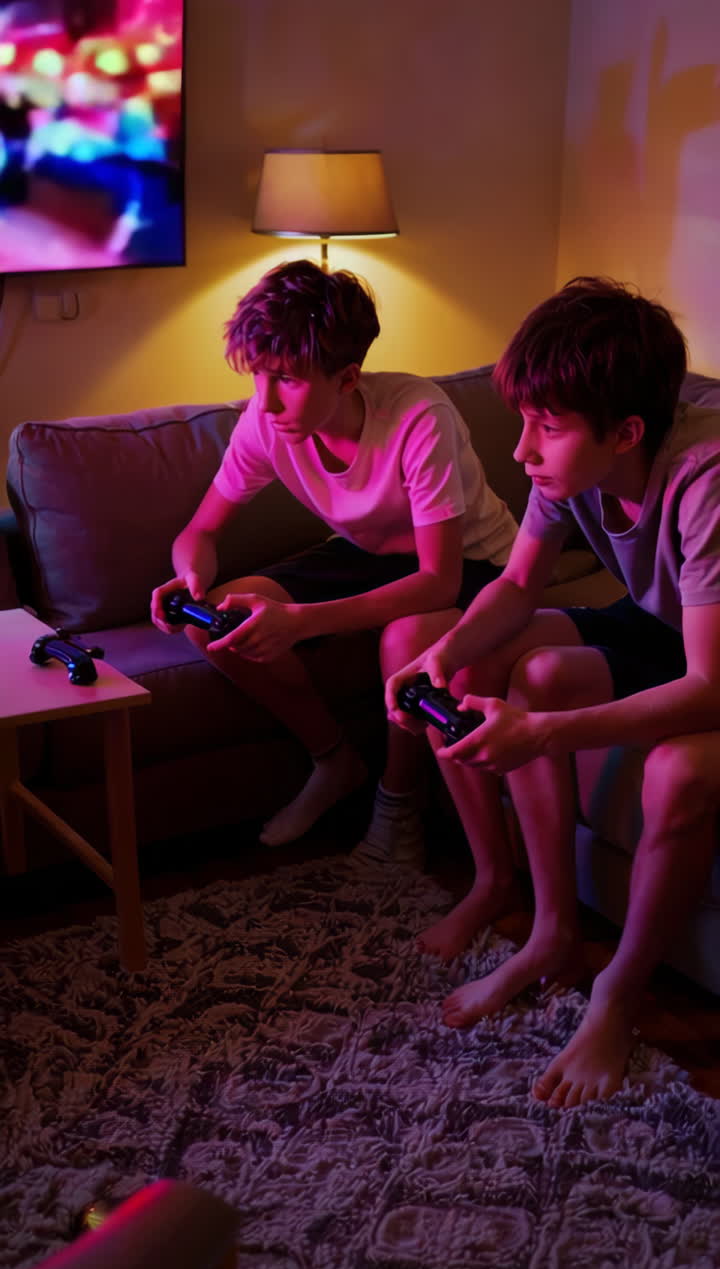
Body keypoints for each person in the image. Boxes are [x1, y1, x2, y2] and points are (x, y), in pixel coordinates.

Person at [386, 276, 720, 1107]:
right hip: (671, 628)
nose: (523, 451)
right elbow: (520, 584)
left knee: (678, 770)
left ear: (627, 431)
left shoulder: (706, 479)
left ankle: (618, 995)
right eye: (527, 420)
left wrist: (540, 736)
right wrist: (443, 654)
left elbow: (711, 687)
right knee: (492, 669)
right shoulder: (571, 466)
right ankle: (550, 932)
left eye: (546, 427)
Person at [150, 258, 517, 861]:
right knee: (210, 620)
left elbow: (437, 580)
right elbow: (199, 530)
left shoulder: (419, 418)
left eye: (288, 379)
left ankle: (398, 801)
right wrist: (191, 575)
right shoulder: (265, 423)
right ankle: (333, 759)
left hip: (472, 563)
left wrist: (300, 622)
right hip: (366, 553)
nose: (265, 401)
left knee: (407, 643)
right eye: (258, 376)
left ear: (347, 379)